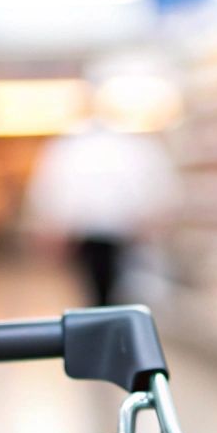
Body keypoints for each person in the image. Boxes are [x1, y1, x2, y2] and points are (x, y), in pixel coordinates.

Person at [25, 83, 181, 307]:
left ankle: (108, 318)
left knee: (115, 283)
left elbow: (52, 189)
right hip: (101, 229)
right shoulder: (120, 145)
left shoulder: (70, 147)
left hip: (114, 228)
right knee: (107, 284)